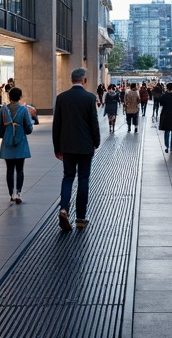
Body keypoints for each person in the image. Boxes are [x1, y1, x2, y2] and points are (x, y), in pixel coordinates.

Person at [52, 67, 100, 231]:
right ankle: (80, 217)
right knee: (83, 179)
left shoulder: (61, 98)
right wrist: (96, 142)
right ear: (84, 80)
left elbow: (56, 124)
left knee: (68, 177)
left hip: (67, 146)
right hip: (85, 146)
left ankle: (64, 209)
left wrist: (57, 147)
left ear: (71, 80)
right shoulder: (89, 98)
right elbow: (94, 123)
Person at [0, 86, 33, 203]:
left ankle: (11, 193)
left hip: (7, 141)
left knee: (9, 169)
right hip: (20, 141)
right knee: (20, 169)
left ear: (9, 97)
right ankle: (19, 193)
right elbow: (29, 128)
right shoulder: (23, 110)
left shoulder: (3, 109)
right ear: (20, 97)